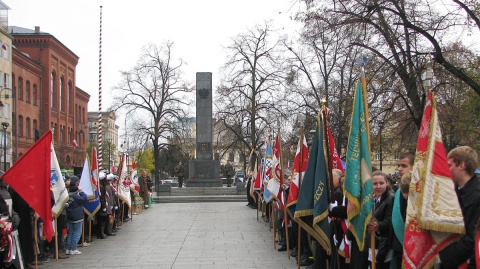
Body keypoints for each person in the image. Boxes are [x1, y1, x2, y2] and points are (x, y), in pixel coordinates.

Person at [438, 146, 480, 269]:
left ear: (462, 166)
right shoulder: (452, 192)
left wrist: (443, 257)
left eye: (449, 165)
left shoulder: (477, 196)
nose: (446, 169)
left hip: (463, 262)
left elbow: (472, 238)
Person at [390, 152, 414, 268]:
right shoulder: (398, 191)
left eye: (404, 166)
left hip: (413, 247)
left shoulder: (421, 193)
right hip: (398, 247)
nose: (399, 169)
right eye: (398, 165)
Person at [65, 182, 87, 255]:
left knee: (70, 233)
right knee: (77, 233)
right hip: (77, 216)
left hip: (70, 216)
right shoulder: (75, 196)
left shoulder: (67, 196)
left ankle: (68, 248)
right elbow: (84, 198)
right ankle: (73, 248)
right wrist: (81, 191)